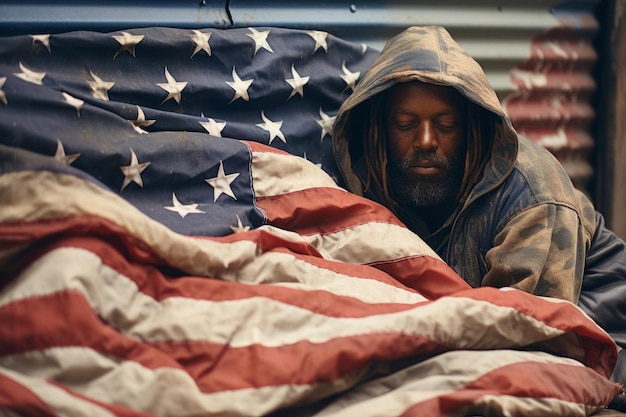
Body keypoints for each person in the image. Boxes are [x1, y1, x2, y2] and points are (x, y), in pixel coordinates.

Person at [331, 25, 626, 392]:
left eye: (446, 124)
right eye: (406, 124)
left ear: (473, 129)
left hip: (603, 362)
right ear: (380, 128)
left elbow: (528, 338)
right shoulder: (372, 181)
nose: (425, 141)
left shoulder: (531, 195)